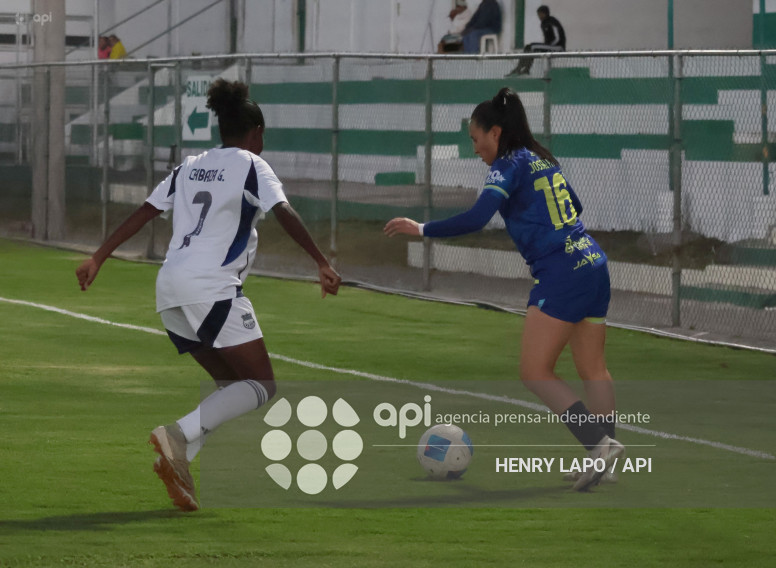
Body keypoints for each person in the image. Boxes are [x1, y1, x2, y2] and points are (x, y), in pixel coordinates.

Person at [76, 78, 341, 511]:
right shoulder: (252, 165)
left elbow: (145, 211)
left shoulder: (191, 166)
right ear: (256, 133)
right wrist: (321, 262)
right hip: (212, 288)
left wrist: (98, 257)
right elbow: (283, 211)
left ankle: (179, 461)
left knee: (230, 388)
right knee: (262, 385)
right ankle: (176, 435)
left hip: (170, 289)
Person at [384, 87, 624, 491]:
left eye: (476, 139)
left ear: (495, 132)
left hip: (561, 272)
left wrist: (421, 228)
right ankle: (607, 458)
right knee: (593, 368)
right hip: (592, 262)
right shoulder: (541, 159)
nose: (475, 149)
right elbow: (575, 206)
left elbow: (478, 217)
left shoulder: (508, 163)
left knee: (534, 371)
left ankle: (598, 444)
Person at [507, 5, 566, 76]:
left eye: (540, 14)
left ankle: (526, 69)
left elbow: (558, 38)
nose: (539, 16)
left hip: (558, 46)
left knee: (533, 47)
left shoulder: (552, 22)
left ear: (545, 13)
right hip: (550, 45)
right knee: (528, 47)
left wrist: (549, 46)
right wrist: (545, 46)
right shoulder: (543, 23)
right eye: (538, 14)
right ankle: (520, 68)